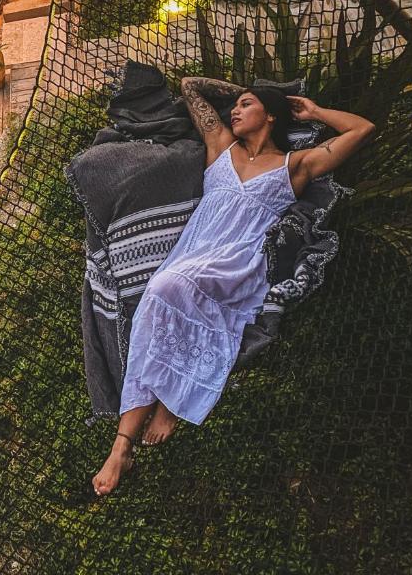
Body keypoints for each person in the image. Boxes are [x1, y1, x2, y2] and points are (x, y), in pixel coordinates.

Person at [91, 76, 376, 497]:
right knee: (159, 296)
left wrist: (312, 111)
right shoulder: (221, 147)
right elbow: (190, 87)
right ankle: (122, 446)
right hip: (195, 252)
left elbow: (362, 129)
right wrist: (243, 90)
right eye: (236, 105)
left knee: (170, 289)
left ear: (271, 116)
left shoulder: (294, 165)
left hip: (241, 263)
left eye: (246, 105)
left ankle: (166, 406)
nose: (235, 111)